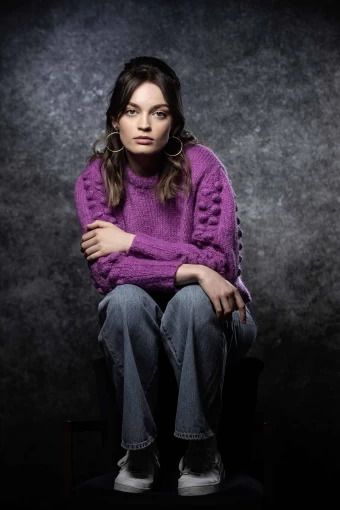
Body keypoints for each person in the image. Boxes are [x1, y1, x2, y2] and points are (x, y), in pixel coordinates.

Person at [74, 56, 257, 496]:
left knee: (194, 300)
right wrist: (190, 266)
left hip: (216, 315)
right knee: (123, 300)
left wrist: (132, 240)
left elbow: (221, 267)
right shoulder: (94, 180)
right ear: (115, 119)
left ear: (173, 121)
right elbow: (110, 273)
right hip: (136, 316)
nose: (144, 124)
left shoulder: (205, 166)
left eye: (158, 112)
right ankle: (139, 452)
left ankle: (200, 451)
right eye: (132, 111)